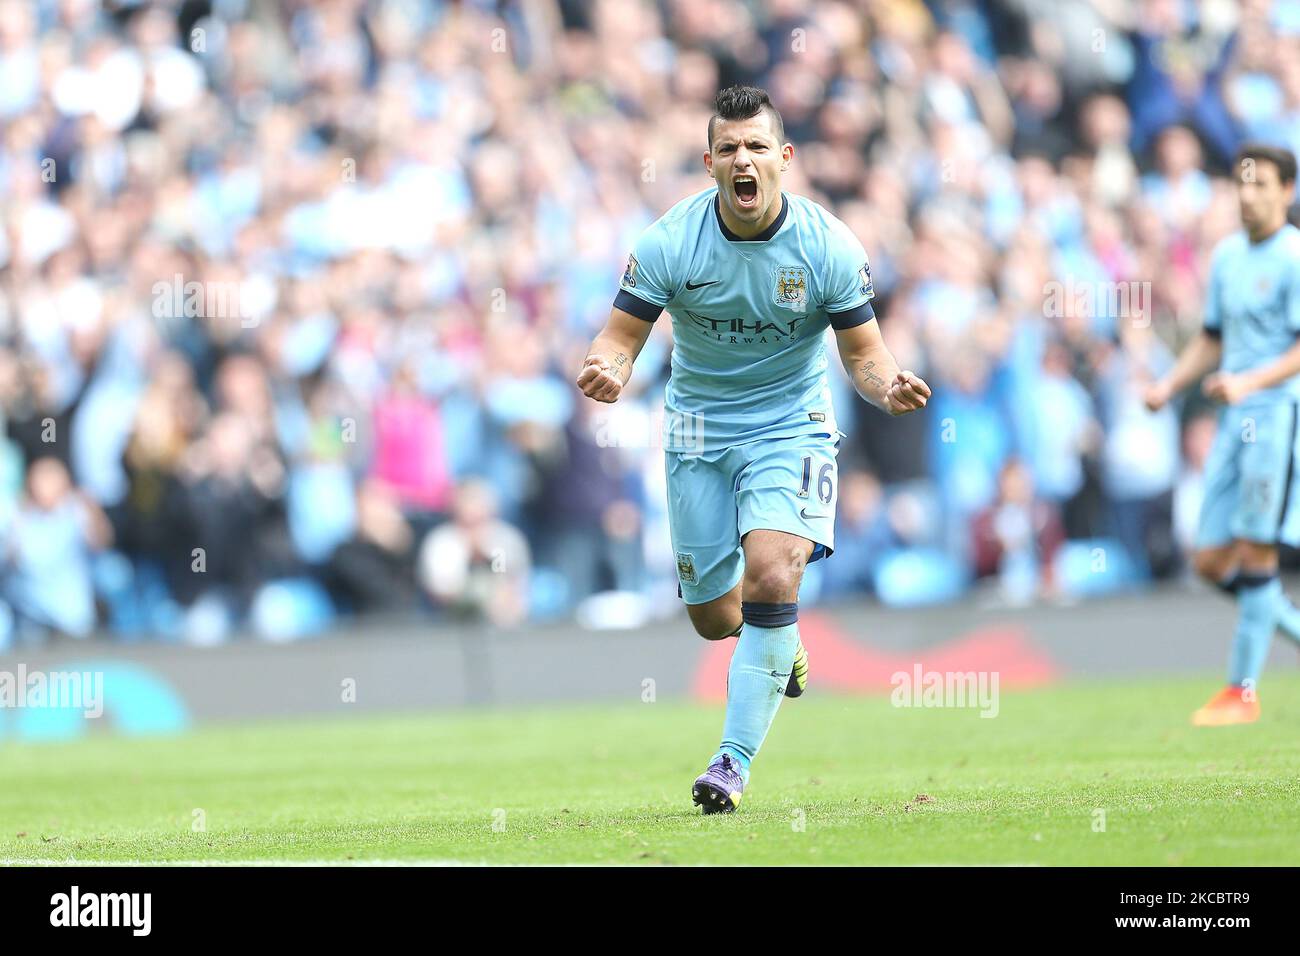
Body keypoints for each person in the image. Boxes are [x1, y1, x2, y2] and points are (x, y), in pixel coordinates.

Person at [576, 86, 931, 813]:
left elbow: (864, 354)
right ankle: (782, 639)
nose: (744, 160)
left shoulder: (828, 246)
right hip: (697, 430)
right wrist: (610, 369)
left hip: (789, 424)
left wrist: (886, 384)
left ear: (785, 159)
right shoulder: (670, 242)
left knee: (774, 571)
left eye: (758, 146)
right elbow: (619, 337)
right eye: (730, 148)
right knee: (715, 618)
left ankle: (731, 761)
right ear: (709, 163)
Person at [1145, 143, 1300, 726]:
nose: (1248, 194)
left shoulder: (1293, 257)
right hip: (1235, 419)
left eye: (1262, 184)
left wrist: (1250, 381)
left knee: (1258, 550)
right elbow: (1211, 337)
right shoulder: (1229, 256)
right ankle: (1277, 624)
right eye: (1242, 183)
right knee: (1211, 559)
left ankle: (1241, 693)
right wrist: (1170, 385)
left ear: (1286, 191)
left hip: (1278, 416)